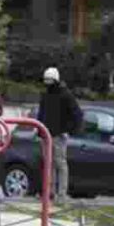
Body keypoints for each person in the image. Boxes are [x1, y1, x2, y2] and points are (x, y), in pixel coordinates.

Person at [37, 67, 83, 204]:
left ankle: (61, 194)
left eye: (50, 80)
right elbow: (41, 114)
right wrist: (39, 131)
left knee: (60, 163)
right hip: (46, 135)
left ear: (55, 80)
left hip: (58, 135)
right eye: (46, 81)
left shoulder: (66, 95)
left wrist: (67, 130)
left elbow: (77, 115)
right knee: (49, 164)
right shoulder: (45, 95)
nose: (48, 83)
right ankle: (49, 193)